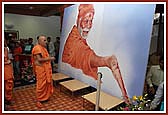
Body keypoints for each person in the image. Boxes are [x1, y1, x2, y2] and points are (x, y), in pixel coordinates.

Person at [62, 4, 129, 103]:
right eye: (85, 21)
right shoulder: (75, 41)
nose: (88, 25)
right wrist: (105, 61)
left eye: (91, 21)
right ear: (78, 19)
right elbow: (86, 55)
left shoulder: (77, 34)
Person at [32, 35, 55, 108]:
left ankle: (45, 97)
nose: (46, 42)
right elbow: (39, 59)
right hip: (41, 69)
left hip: (45, 69)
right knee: (41, 84)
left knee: (46, 84)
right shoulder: (37, 48)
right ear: (39, 41)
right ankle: (39, 100)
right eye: (44, 40)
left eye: (46, 40)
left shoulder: (43, 48)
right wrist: (50, 58)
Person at [4, 39, 14, 106]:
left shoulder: (6, 49)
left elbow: (8, 58)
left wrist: (8, 61)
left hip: (7, 70)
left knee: (8, 85)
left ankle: (8, 99)